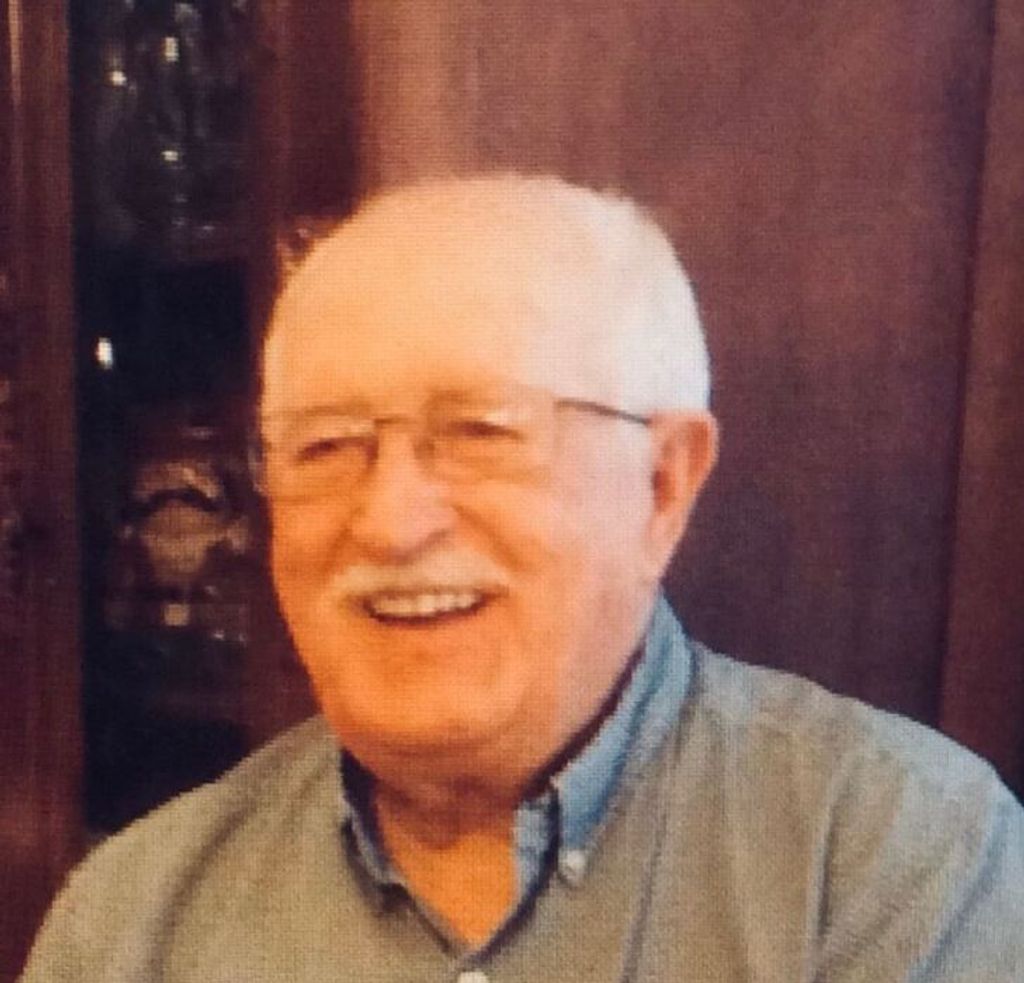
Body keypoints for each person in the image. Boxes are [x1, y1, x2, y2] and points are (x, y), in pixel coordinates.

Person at [21, 175, 1024, 981]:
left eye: (479, 432)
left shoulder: (890, 861)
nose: (390, 520)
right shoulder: (137, 922)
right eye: (323, 445)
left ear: (662, 485)